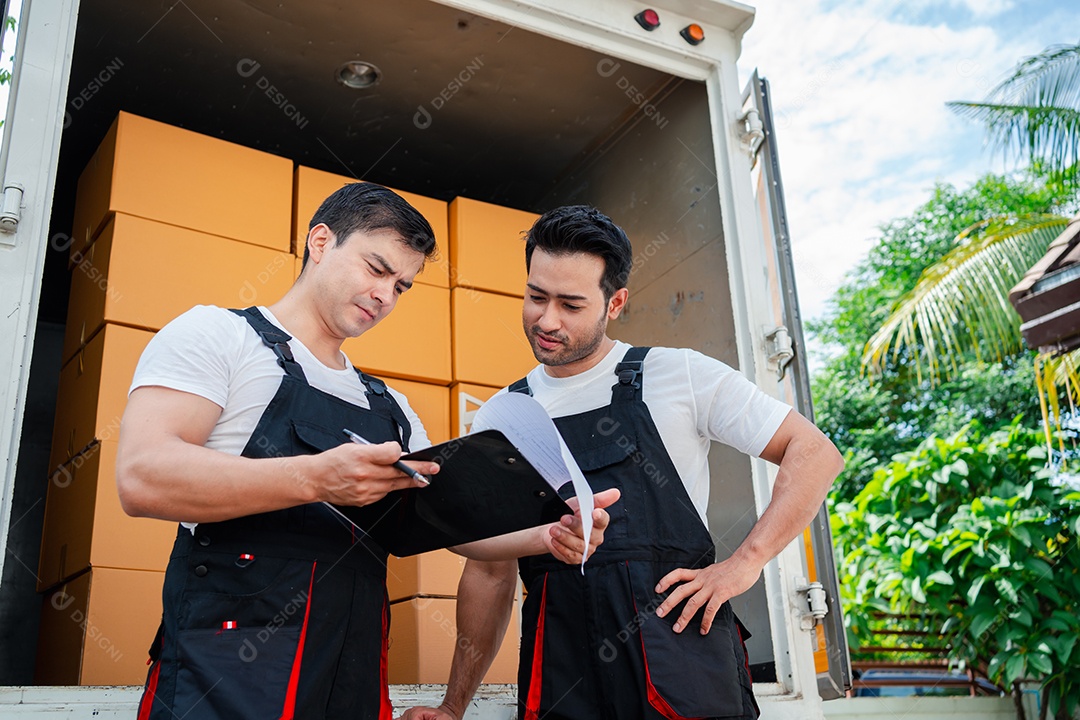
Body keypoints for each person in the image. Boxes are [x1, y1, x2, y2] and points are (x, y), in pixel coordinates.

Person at [116, 184, 616, 720]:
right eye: (376, 269)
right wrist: (316, 478)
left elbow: (455, 524)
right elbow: (144, 477)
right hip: (224, 675)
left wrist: (548, 534)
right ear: (321, 241)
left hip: (350, 678)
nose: (384, 295)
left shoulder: (391, 407)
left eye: (401, 286)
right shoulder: (220, 336)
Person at [399, 205, 845, 720]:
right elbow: (489, 571)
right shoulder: (504, 413)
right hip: (561, 670)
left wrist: (744, 565)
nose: (547, 320)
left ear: (616, 303)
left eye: (571, 304)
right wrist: (454, 706)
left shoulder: (677, 375)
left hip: (679, 656)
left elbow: (814, 452)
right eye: (536, 296)